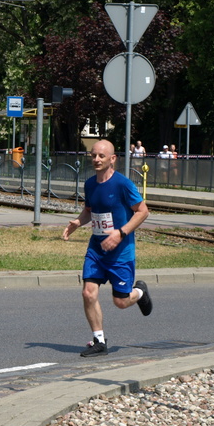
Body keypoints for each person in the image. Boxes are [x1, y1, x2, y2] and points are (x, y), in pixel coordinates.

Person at [62, 139, 153, 357]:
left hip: (121, 252)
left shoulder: (123, 185)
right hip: (97, 249)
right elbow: (89, 210)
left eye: (101, 156)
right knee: (88, 292)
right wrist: (78, 221)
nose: (96, 159)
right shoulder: (90, 184)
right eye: (93, 155)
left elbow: (143, 212)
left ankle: (139, 292)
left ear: (112, 159)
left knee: (120, 302)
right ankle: (99, 341)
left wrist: (120, 233)